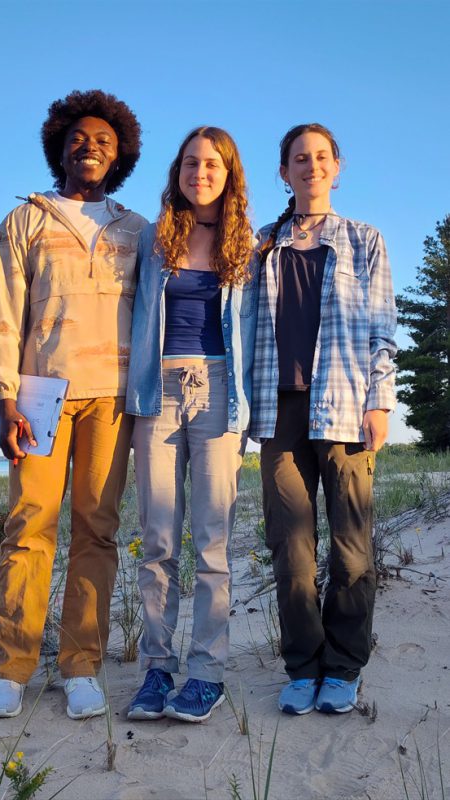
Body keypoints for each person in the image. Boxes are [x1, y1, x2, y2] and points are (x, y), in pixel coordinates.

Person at [0, 89, 148, 720]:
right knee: (29, 527)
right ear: (60, 146)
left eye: (104, 139)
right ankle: (11, 667)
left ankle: (82, 666)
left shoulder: (137, 230)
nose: (91, 146)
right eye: (79, 137)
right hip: (39, 395)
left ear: (120, 152)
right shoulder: (26, 220)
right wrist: (4, 395)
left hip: (113, 398)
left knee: (97, 531)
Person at [250, 123, 397, 715]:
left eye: (320, 157)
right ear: (283, 172)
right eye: (298, 159)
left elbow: (381, 328)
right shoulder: (262, 243)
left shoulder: (365, 239)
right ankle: (303, 664)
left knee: (352, 547)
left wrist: (379, 400)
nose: (310, 166)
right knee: (291, 547)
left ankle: (344, 665)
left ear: (337, 167)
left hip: (344, 407)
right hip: (279, 409)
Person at [125, 127, 257, 722]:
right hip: (158, 393)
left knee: (212, 541)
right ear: (176, 171)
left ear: (229, 174)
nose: (199, 172)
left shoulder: (247, 247)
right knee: (157, 539)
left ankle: (206, 672)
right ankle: (157, 667)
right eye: (189, 163)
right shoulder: (152, 241)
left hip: (220, 393)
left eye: (211, 164)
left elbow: (260, 333)